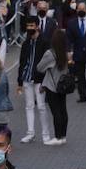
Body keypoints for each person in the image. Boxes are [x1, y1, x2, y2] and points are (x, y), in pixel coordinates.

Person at [16, 16, 51, 144]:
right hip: (26, 78)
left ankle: (45, 135)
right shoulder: (26, 43)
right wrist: (19, 81)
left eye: (32, 26)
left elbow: (48, 62)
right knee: (29, 106)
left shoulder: (45, 42)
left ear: (37, 26)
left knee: (41, 106)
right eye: (28, 26)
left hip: (40, 79)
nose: (29, 28)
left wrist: (45, 81)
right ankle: (30, 133)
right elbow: (22, 62)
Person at [38, 27, 70, 146]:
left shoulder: (50, 54)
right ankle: (63, 136)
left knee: (55, 111)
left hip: (52, 86)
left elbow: (40, 68)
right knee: (63, 110)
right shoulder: (64, 53)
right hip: (63, 86)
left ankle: (57, 137)